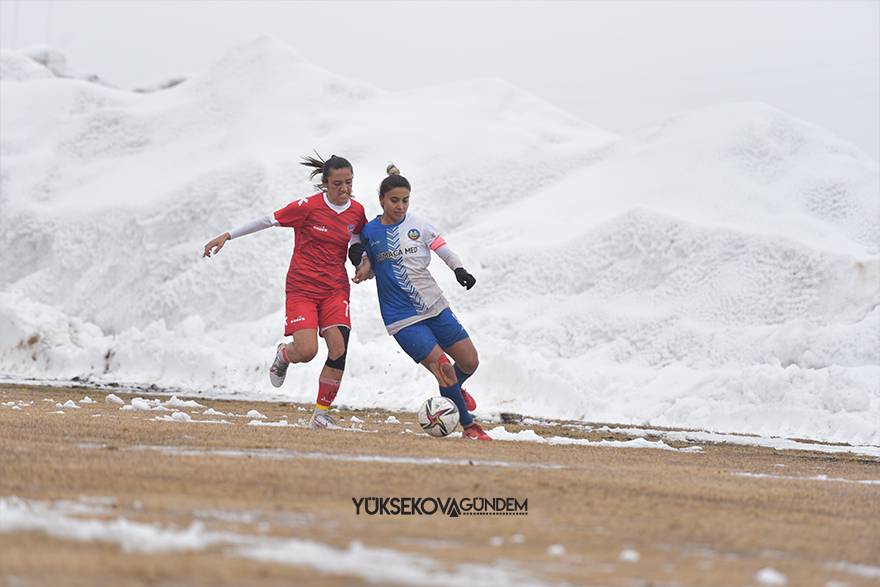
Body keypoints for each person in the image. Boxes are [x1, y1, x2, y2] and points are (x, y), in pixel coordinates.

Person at [202, 153, 368, 429]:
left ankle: (320, 415)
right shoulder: (307, 207)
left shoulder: (356, 211)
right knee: (307, 351)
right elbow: (267, 220)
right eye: (338, 183)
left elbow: (355, 239)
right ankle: (284, 354)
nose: (345, 189)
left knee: (338, 348)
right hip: (302, 287)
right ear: (325, 184)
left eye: (349, 183)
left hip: (335, 289)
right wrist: (228, 235)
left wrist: (363, 262)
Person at [352, 164, 490, 441]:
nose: (400, 206)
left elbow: (443, 249)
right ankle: (470, 427)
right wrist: (363, 267)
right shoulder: (371, 231)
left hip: (434, 305)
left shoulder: (420, 225)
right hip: (401, 317)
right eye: (394, 200)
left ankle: (453, 392)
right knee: (444, 368)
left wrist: (459, 270)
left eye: (405, 200)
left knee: (470, 361)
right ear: (381, 200)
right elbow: (362, 255)